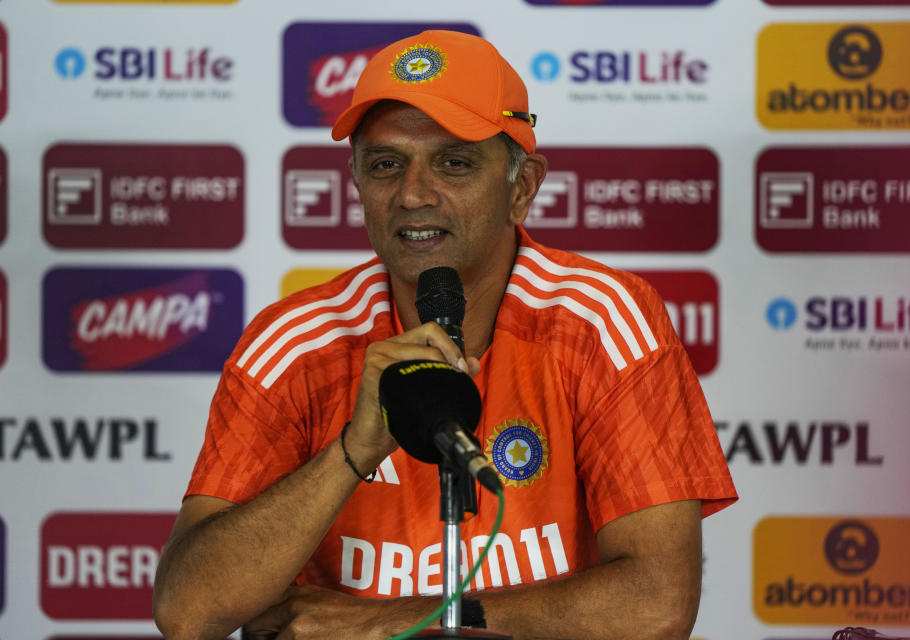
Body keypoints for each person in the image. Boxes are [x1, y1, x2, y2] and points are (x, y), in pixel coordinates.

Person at [153, 29, 737, 640]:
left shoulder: (604, 320)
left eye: (454, 163)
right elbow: (189, 613)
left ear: (523, 188)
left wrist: (400, 622)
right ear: (355, 182)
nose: (412, 194)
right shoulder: (295, 342)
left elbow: (658, 604)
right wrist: (352, 452)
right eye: (385, 165)